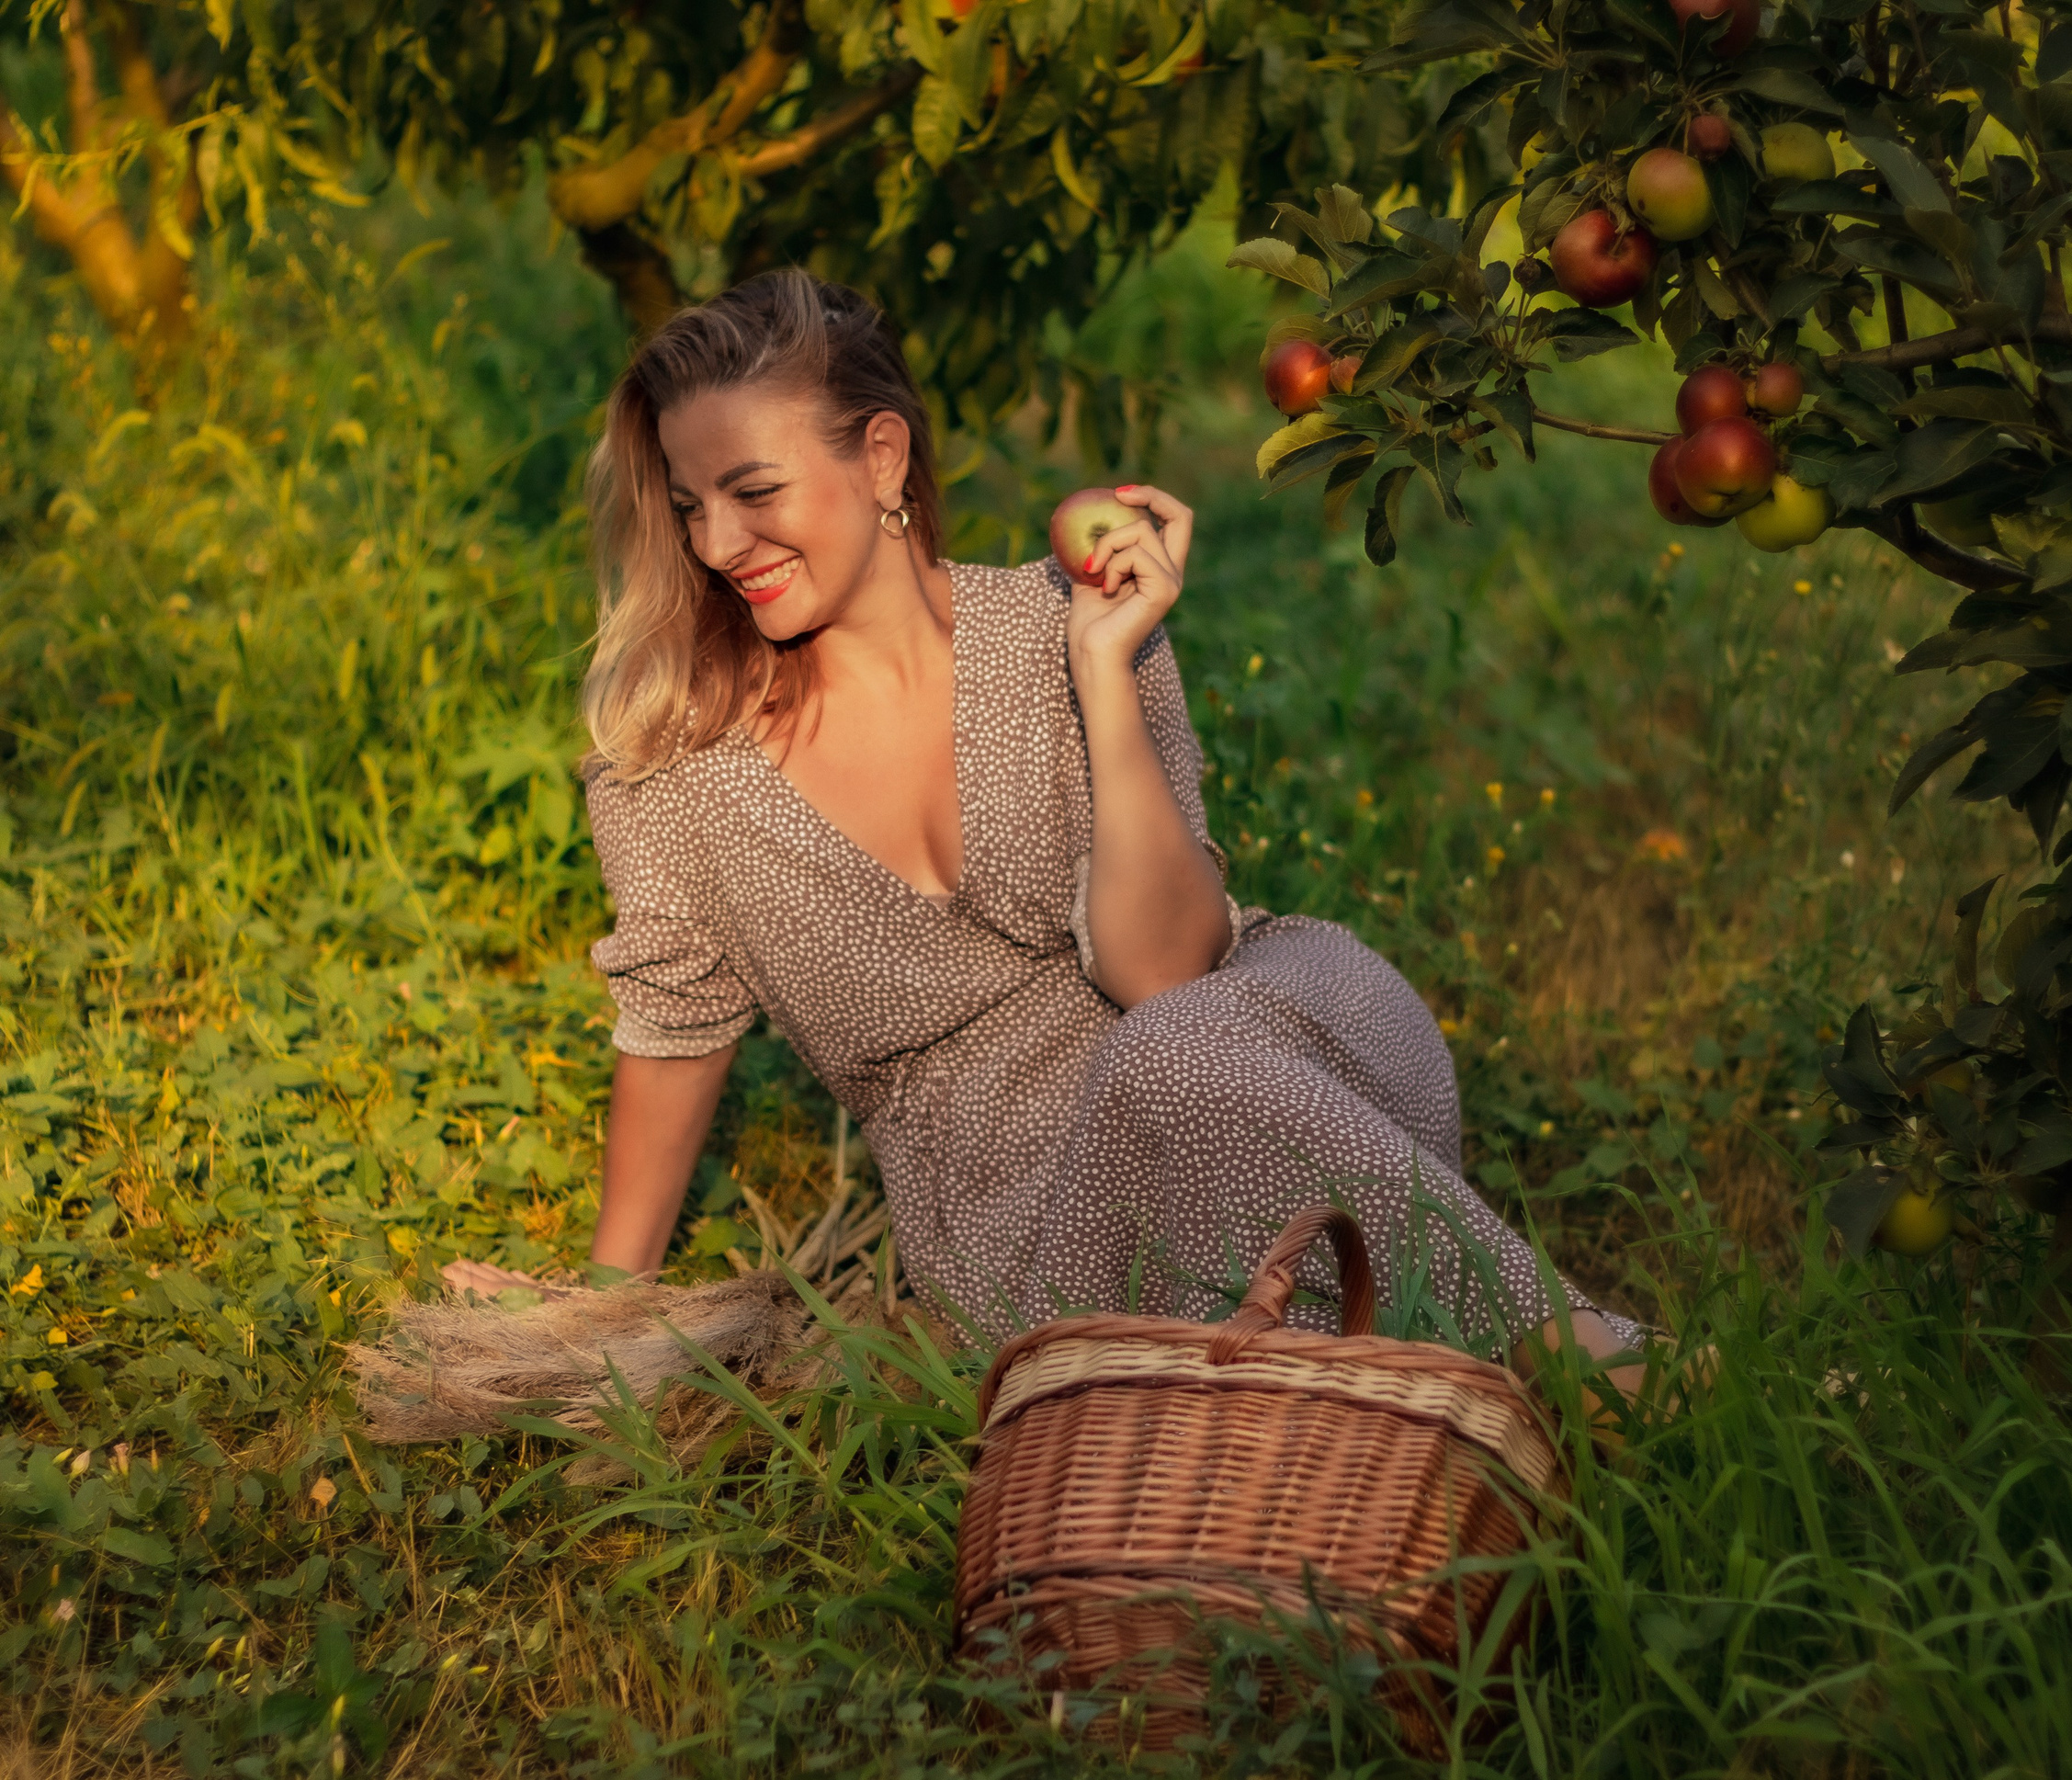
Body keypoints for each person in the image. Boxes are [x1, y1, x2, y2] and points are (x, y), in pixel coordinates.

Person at [439, 268, 1645, 1390]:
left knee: (1171, 1054)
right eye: (692, 504)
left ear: (880, 457)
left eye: (754, 493)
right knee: (1254, 1351)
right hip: (1026, 1215)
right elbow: (672, 1032)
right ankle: (1458, 1390)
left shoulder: (1065, 625)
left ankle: (1611, 1371)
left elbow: (1167, 970)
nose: (715, 544)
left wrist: (1104, 671)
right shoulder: (675, 785)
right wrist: (602, 1311)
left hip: (1274, 1039)